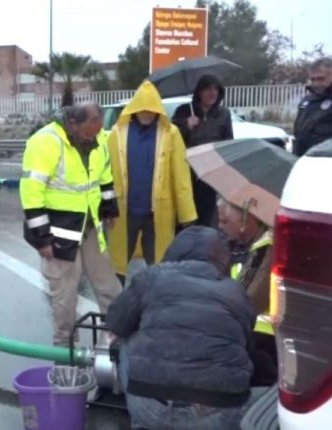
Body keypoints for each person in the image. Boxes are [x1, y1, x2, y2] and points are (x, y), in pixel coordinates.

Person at [106, 226, 256, 430]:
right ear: (222, 259)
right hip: (218, 411)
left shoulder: (153, 276)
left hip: (150, 407)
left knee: (125, 341)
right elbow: (246, 343)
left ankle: (141, 425)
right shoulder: (236, 292)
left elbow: (116, 322)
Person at [20, 102, 123, 347]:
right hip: (58, 235)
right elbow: (31, 193)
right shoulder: (45, 142)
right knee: (65, 297)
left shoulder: (98, 139)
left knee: (109, 287)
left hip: (89, 226)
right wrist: (42, 238)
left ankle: (118, 340)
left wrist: (110, 207)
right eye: (89, 132)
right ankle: (65, 349)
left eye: (97, 131)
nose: (94, 137)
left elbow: (105, 175)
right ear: (72, 123)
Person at [106, 81, 198, 283]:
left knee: (159, 264)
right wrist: (106, 207)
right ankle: (114, 306)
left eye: (152, 109)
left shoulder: (170, 133)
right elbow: (106, 173)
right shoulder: (117, 133)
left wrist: (187, 214)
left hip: (158, 212)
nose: (147, 113)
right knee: (117, 263)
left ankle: (157, 304)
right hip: (124, 211)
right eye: (143, 109)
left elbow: (181, 174)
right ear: (135, 109)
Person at [217, 197, 277, 387]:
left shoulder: (267, 248)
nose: (219, 226)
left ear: (246, 221)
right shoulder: (250, 245)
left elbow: (250, 302)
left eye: (225, 221)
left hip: (263, 341)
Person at [172, 74, 234, 227]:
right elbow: (170, 139)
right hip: (187, 171)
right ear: (199, 91)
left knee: (208, 214)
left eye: (216, 89)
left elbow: (228, 142)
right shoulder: (184, 111)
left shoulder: (223, 114)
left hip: (211, 171)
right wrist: (186, 125)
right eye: (208, 89)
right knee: (186, 214)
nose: (212, 93)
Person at [293, 57, 332, 156]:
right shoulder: (307, 100)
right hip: (303, 158)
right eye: (312, 79)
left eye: (321, 79)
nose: (316, 83)